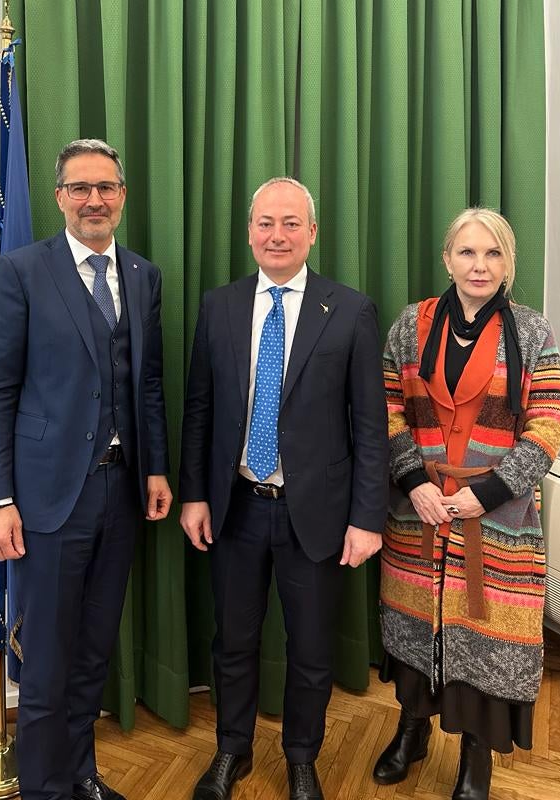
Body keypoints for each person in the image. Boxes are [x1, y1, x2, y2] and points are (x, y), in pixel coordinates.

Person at [0, 138, 173, 800]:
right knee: (49, 664)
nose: (95, 199)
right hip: (47, 499)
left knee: (93, 652)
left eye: (106, 187)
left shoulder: (144, 277)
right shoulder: (21, 271)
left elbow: (147, 386)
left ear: (122, 196)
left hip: (120, 495)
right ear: (60, 197)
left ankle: (82, 776)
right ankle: (43, 789)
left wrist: (155, 471)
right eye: (81, 188)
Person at [179, 177, 390, 800]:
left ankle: (302, 758)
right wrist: (194, 494)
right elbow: (199, 408)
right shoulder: (219, 306)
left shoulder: (349, 310)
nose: (278, 235)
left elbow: (371, 428)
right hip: (236, 508)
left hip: (317, 516)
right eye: (266, 223)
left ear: (313, 233)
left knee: (312, 647)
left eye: (291, 223)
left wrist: (367, 517)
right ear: (249, 232)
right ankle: (231, 752)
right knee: (234, 641)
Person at [376, 208, 560, 800]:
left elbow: (550, 422)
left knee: (483, 638)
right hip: (420, 512)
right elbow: (385, 408)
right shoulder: (410, 326)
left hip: (498, 518)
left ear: (509, 264)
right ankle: (411, 730)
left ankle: (475, 760)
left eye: (492, 254)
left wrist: (485, 494)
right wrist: (414, 481)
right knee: (413, 627)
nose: (479, 265)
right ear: (446, 259)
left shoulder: (534, 333)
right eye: (467, 252)